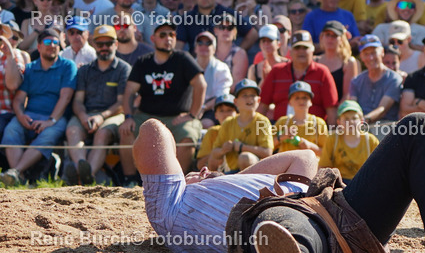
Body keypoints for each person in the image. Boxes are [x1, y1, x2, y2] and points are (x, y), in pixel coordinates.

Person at [134, 112, 425, 253]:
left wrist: (227, 179)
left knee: (424, 125)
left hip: (342, 214)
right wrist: (188, 180)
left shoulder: (249, 185)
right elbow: (153, 131)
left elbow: (304, 162)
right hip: (293, 229)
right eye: (191, 171)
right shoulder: (172, 208)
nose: (199, 170)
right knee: (271, 216)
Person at [119, 16, 206, 184]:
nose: (168, 39)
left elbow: (200, 84)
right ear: (153, 39)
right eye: (163, 35)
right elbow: (129, 91)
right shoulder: (143, 62)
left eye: (172, 35)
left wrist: (192, 115)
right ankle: (129, 181)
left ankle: (177, 182)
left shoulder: (183, 58)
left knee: (188, 136)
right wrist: (128, 117)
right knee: (125, 131)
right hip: (146, 116)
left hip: (178, 117)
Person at [0, 29, 77, 186]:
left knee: (47, 135)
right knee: (11, 130)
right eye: (48, 42)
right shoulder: (31, 68)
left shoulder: (68, 66)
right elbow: (19, 99)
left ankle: (15, 172)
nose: (52, 46)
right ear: (39, 47)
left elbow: (66, 97)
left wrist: (51, 120)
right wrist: (21, 116)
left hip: (56, 117)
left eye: (56, 42)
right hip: (30, 114)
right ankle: (19, 176)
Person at [63, 24, 131, 185]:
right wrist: (84, 116)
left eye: (108, 43)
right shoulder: (85, 70)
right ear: (95, 45)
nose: (104, 48)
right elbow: (78, 101)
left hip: (114, 115)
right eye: (100, 44)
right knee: (72, 130)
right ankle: (84, 171)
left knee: (102, 134)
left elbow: (122, 103)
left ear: (116, 44)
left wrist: (101, 117)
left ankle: (85, 177)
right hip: (86, 113)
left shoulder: (124, 69)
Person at [208, 79, 273, 172]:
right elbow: (214, 153)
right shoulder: (228, 122)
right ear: (236, 101)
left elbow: (267, 152)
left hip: (256, 173)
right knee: (212, 159)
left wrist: (242, 147)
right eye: (244, 95)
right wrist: (223, 149)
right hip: (231, 172)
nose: (249, 99)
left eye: (253, 95)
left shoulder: (262, 122)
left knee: (245, 158)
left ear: (258, 100)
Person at [348, 35, 404, 130]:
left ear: (382, 52)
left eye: (374, 53)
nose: (370, 58)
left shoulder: (394, 79)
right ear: (361, 56)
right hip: (359, 127)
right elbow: (352, 106)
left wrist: (362, 121)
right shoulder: (356, 81)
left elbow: (382, 109)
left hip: (384, 127)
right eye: (366, 54)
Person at [319, 100, 378, 179]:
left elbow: (379, 168)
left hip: (363, 182)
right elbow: (323, 167)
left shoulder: (371, 141)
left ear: (361, 121)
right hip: (339, 183)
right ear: (339, 122)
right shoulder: (332, 139)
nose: (350, 122)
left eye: (354, 118)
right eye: (346, 119)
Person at [274, 80, 330, 158]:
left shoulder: (318, 123)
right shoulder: (282, 122)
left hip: (310, 166)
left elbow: (328, 153)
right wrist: (282, 137)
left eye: (305, 98)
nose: (301, 101)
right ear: (290, 102)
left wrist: (310, 146)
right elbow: (268, 147)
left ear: (311, 102)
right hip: (285, 167)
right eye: (297, 98)